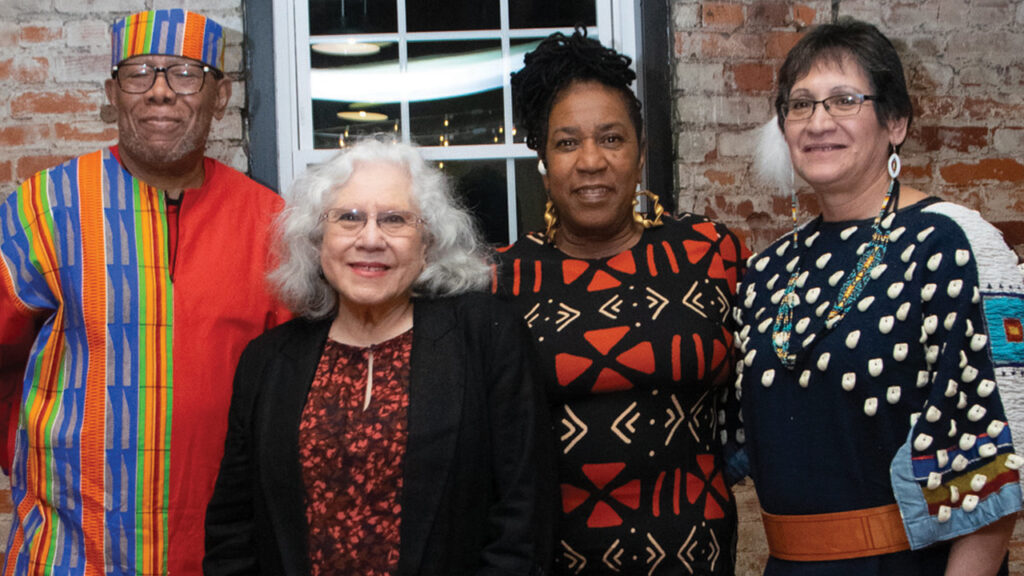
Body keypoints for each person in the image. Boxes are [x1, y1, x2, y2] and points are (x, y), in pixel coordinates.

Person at [726, 18, 1023, 575]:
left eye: (843, 101)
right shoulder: (768, 271)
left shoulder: (955, 242)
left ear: (896, 121)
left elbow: (1001, 458)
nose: (818, 122)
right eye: (800, 105)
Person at [0, 9, 288, 575]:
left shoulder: (270, 223)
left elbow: (293, 392)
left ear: (219, 95)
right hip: (69, 551)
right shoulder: (43, 208)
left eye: (185, 73)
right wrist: (35, 453)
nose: (160, 93)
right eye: (138, 74)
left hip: (220, 553)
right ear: (113, 92)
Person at [203, 138, 552, 576]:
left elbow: (523, 519)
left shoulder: (486, 337)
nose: (370, 239)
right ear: (317, 241)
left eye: (394, 220)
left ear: (427, 243)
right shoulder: (268, 362)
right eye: (349, 218)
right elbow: (233, 532)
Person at [494, 29, 748, 575]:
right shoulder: (503, 280)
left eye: (611, 139)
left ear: (640, 150)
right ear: (541, 157)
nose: (591, 161)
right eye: (567, 143)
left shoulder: (708, 251)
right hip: (552, 558)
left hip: (695, 554)